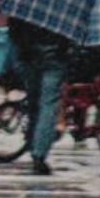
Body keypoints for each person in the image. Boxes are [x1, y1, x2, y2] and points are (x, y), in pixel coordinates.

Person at [9, 17, 70, 175]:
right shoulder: (65, 6)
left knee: (34, 101)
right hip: (54, 60)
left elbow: (13, 30)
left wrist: (23, 49)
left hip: (29, 58)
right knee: (48, 105)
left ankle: (32, 140)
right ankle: (39, 153)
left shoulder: (28, 3)